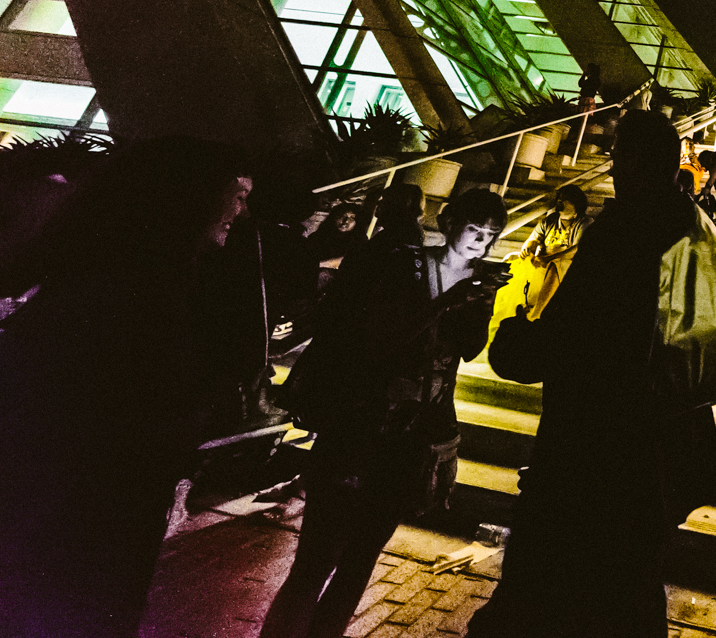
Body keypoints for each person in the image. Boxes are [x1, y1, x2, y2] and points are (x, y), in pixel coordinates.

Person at [469, 110, 716, 637]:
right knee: (630, 592)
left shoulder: (624, 230)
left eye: (617, 157)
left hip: (594, 453)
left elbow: (572, 336)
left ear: (632, 162)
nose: (611, 168)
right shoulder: (694, 229)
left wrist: (513, 336)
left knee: (540, 595)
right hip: (663, 452)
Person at [0, 136, 252, 638]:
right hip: (75, 533)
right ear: (188, 197)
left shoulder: (124, 283)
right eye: (237, 194)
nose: (241, 210)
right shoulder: (130, 299)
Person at [260, 187, 506, 638]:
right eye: (474, 229)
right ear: (449, 223)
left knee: (360, 561)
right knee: (316, 559)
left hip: (413, 438)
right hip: (361, 422)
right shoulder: (406, 265)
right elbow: (379, 337)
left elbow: (469, 350)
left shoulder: (478, 281)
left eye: (490, 234)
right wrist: (446, 303)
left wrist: (479, 305)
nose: (481, 241)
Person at [494, 184, 589, 343]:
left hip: (565, 265)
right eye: (559, 199)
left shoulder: (583, 222)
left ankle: (536, 314)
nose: (559, 202)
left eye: (564, 200)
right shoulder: (550, 220)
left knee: (555, 265)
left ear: (576, 204)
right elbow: (533, 239)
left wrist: (549, 259)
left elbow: (577, 249)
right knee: (512, 259)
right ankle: (503, 307)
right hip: (542, 260)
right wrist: (528, 248)